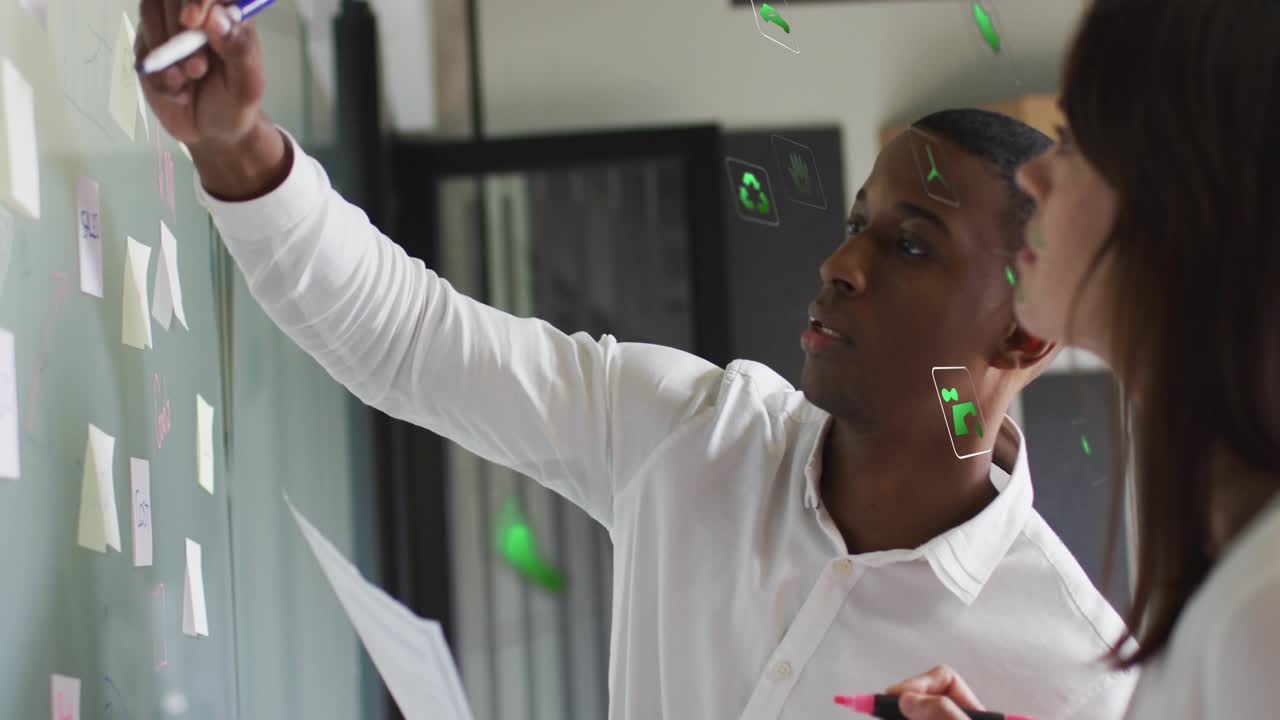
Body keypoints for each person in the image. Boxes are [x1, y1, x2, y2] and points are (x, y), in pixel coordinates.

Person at [135, 2, 1138, 717]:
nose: (838, 265)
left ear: (1021, 333)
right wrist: (233, 147)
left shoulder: (1079, 682)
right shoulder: (691, 433)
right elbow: (410, 338)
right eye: (854, 224)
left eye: (909, 243)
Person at [881, 1, 1280, 718]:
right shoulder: (1240, 579)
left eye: (1071, 142)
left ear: (1184, 194)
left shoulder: (1265, 609)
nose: (1034, 179)